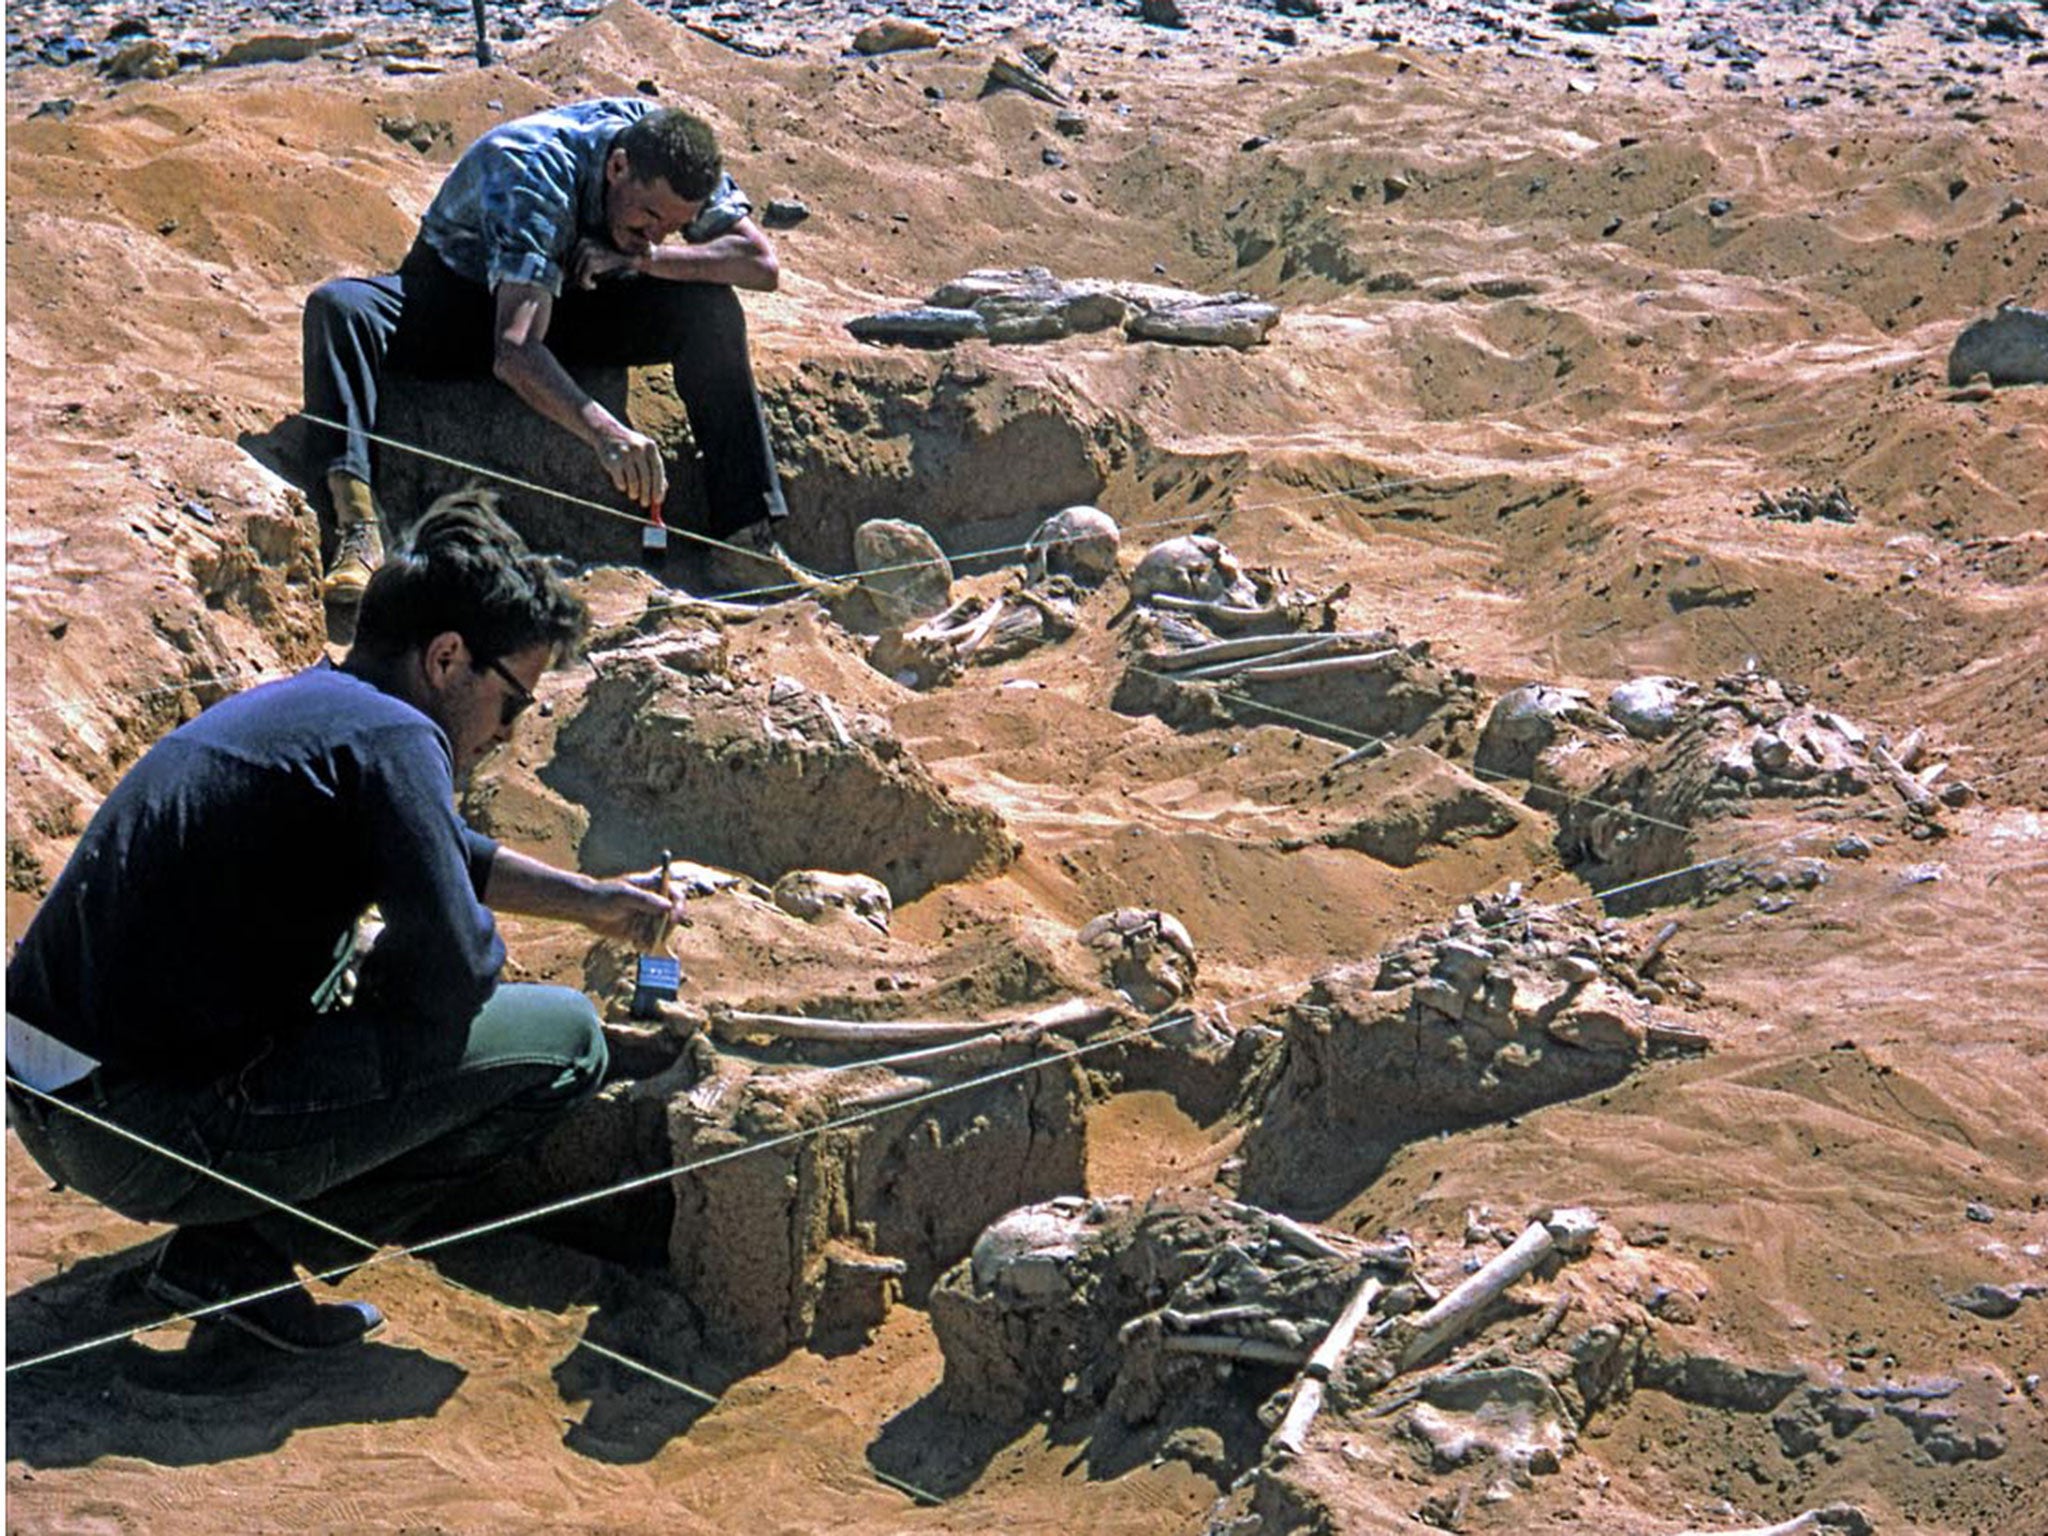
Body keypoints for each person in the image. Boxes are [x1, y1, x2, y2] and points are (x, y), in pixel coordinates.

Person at [4, 502, 685, 1353]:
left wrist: (588, 900)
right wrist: (396, 984)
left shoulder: (321, 706)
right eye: (513, 703)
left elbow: (441, 846)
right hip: (138, 1129)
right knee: (570, 1038)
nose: (509, 735)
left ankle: (236, 1233)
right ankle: (244, 1252)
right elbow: (458, 972)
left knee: (359, 961)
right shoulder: (401, 740)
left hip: (50, 1099)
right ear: (446, 659)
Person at [302, 99, 792, 602]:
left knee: (711, 309)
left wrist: (648, 258)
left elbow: (760, 264)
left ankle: (743, 539)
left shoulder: (672, 153)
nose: (656, 232)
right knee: (338, 307)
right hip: (461, 302)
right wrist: (606, 434)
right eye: (648, 217)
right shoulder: (534, 170)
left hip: (574, 298)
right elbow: (514, 350)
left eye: (672, 224)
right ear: (617, 167)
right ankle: (357, 526)